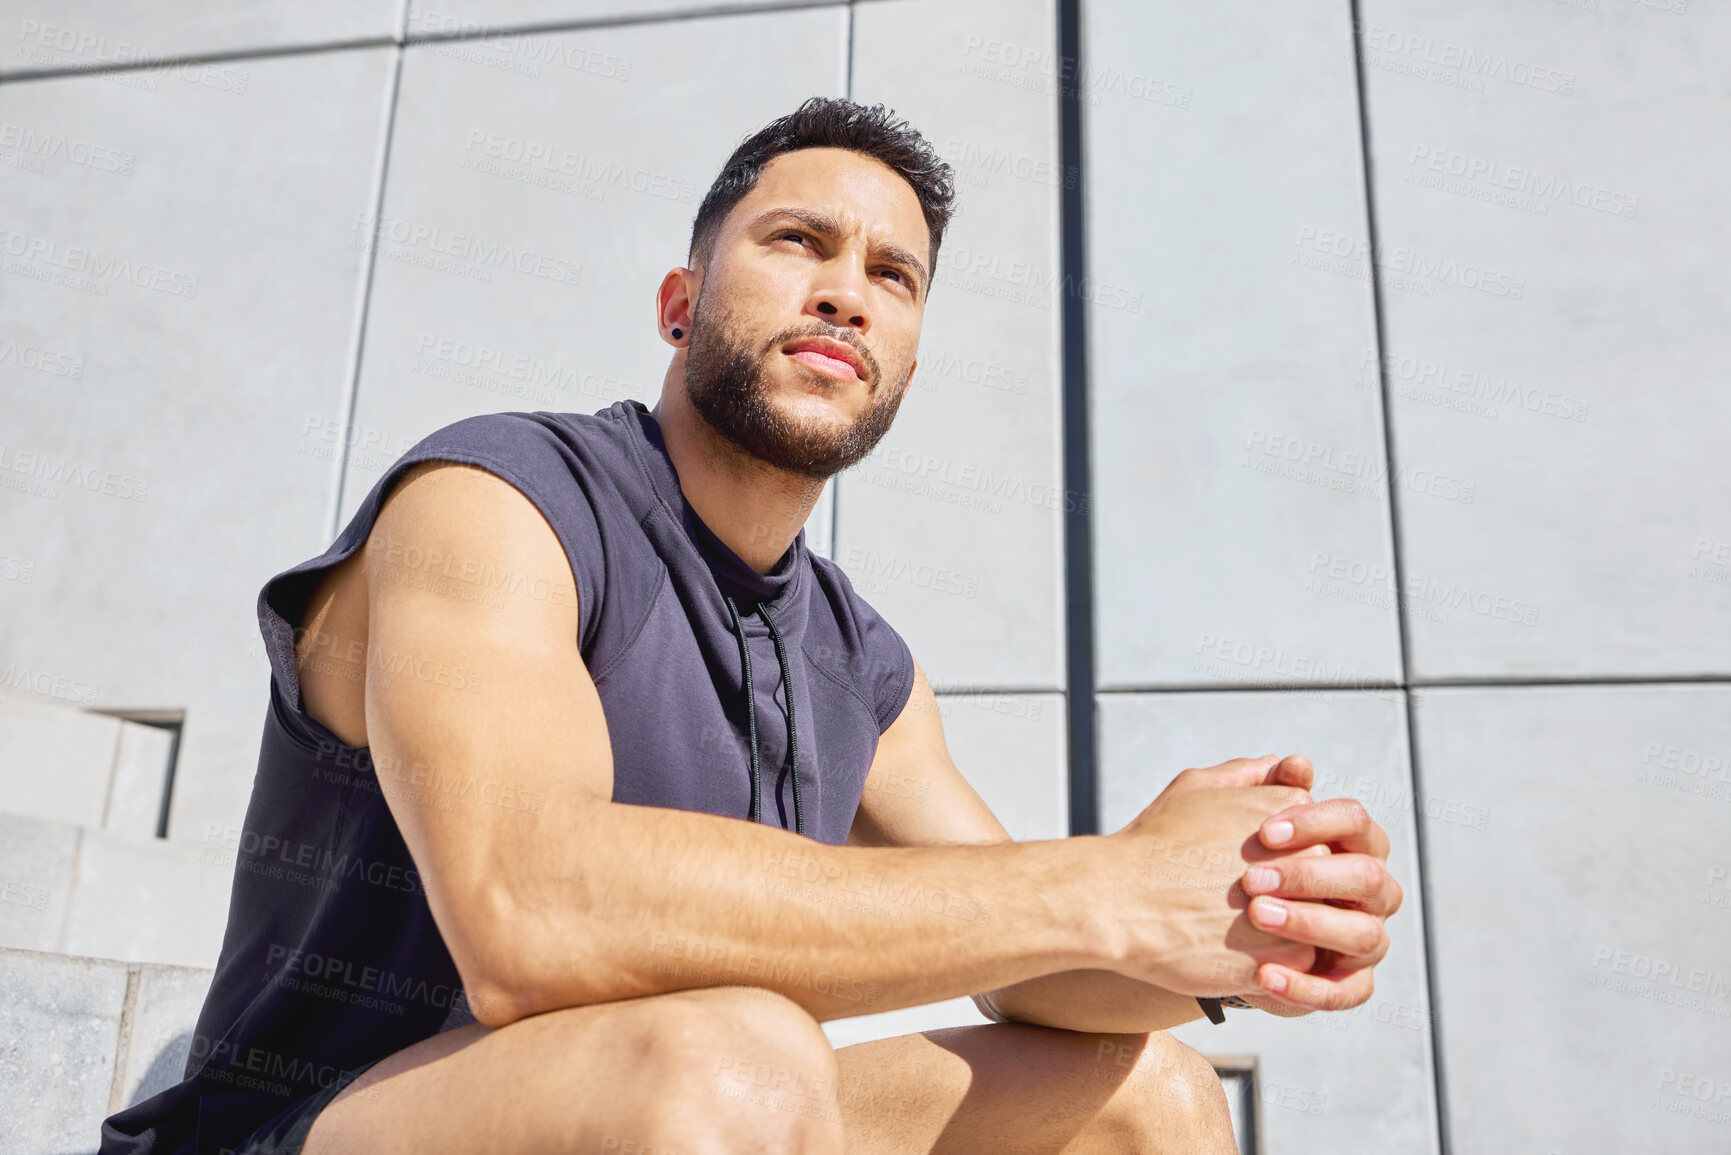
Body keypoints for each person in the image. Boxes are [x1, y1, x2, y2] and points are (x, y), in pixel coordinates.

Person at [102, 96, 1401, 1155]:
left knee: (1152, 1097)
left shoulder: (867, 669)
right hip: (306, 1130)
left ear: (907, 355)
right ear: (680, 303)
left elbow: (1046, 974)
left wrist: (1246, 913)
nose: (848, 292)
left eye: (893, 275)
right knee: (737, 1056)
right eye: (798, 244)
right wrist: (1106, 888)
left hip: (692, 1098)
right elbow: (526, 915)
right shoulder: (494, 501)